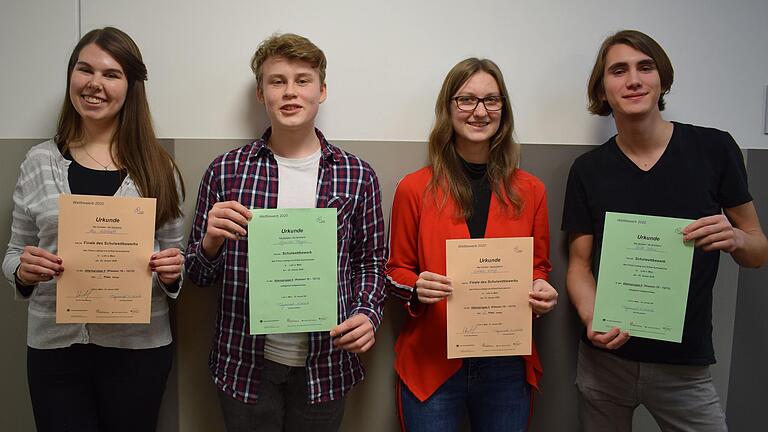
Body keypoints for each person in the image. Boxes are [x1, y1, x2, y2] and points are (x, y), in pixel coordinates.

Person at [562, 29, 768, 432]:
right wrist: (592, 316)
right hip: (605, 364)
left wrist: (738, 238)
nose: (634, 80)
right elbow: (579, 266)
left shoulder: (714, 149)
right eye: (618, 70)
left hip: (684, 366)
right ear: (602, 89)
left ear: (662, 79)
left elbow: (758, 250)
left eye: (645, 67)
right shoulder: (588, 171)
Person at [184, 33, 387, 432]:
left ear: (322, 90)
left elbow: (372, 263)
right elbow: (198, 276)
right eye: (277, 81)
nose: (290, 92)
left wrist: (368, 313)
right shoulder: (226, 171)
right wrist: (209, 243)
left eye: (302, 80)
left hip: (326, 365)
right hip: (245, 365)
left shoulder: (357, 175)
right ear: (261, 93)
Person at [2, 27, 186, 432]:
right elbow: (14, 253)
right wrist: (22, 269)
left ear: (131, 86)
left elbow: (178, 257)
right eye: (85, 69)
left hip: (139, 350)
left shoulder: (159, 167)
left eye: (111, 73)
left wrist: (174, 269)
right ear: (71, 76)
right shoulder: (39, 162)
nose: (94, 84)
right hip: (55, 350)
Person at [386, 58, 558, 432]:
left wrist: (540, 290)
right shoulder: (414, 188)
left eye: (491, 100)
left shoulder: (531, 191)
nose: (480, 111)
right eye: (466, 100)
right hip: (433, 359)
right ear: (448, 109)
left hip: (505, 363)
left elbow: (538, 267)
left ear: (503, 110)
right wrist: (416, 287)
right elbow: (396, 271)